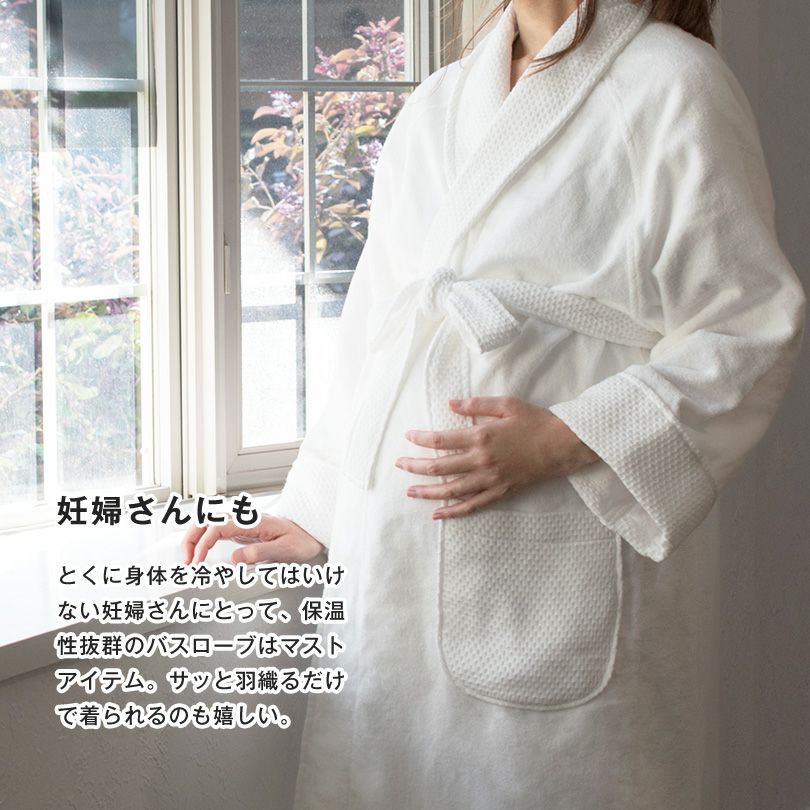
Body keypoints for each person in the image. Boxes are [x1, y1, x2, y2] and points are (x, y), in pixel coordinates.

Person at [182, 0, 806, 806]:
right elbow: (374, 328)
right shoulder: (439, 102)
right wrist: (317, 510)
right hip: (396, 554)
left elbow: (749, 326)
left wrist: (566, 437)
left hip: (562, 544)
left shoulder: (676, 81)